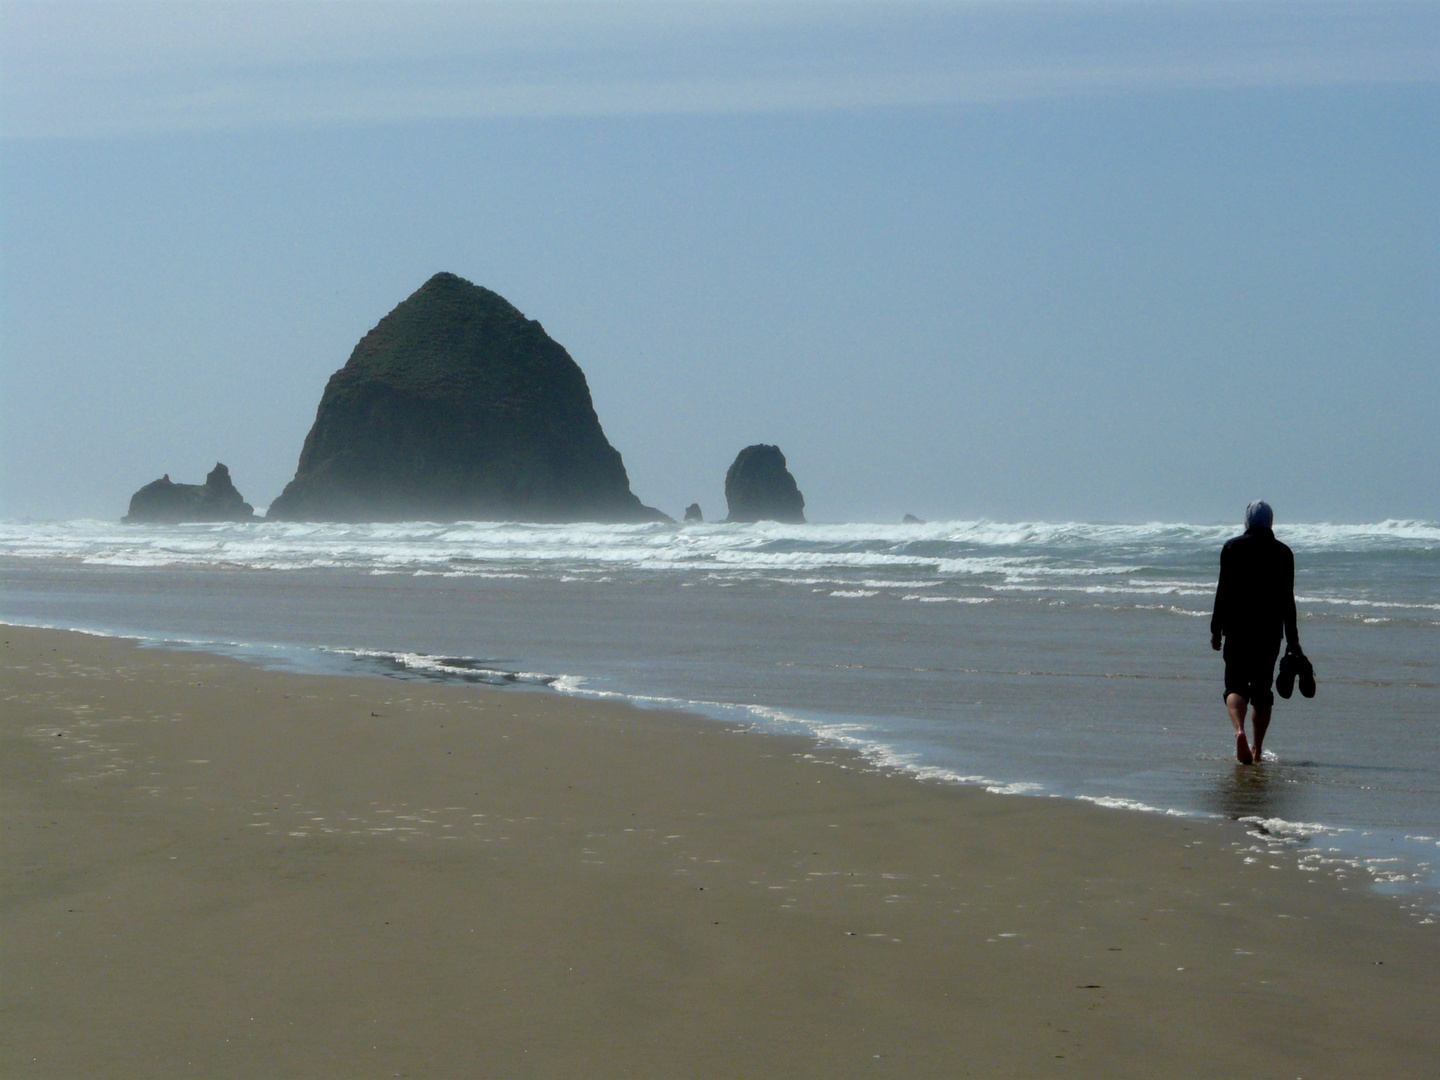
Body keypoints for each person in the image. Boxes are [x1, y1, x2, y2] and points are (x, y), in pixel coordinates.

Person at [1210, 500, 1299, 764]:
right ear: (1271, 521)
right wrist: (1293, 640)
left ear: (1247, 521)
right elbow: (1287, 600)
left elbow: (1222, 592)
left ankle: (1239, 732)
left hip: (1237, 630)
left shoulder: (1232, 547)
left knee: (1235, 686)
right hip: (1269, 633)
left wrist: (1216, 630)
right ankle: (1258, 750)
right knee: (1262, 692)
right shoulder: (1284, 553)